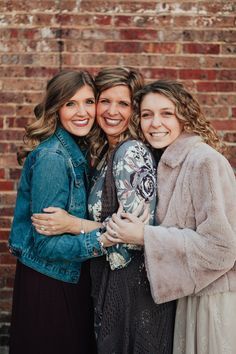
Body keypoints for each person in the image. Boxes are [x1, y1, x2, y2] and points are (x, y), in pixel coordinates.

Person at [31, 67, 176, 354]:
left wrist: (73, 224)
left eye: (122, 103)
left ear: (133, 110)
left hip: (134, 289)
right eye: (104, 101)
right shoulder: (106, 154)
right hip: (110, 283)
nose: (112, 111)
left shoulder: (131, 152)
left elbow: (132, 236)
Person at [106, 79, 236, 354]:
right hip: (189, 296)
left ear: (185, 117)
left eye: (167, 113)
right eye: (147, 115)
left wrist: (145, 236)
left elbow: (222, 249)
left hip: (213, 301)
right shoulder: (167, 161)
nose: (155, 123)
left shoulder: (204, 161)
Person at [8, 70, 113, 354]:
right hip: (51, 282)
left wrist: (80, 225)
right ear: (56, 108)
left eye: (89, 102)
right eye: (70, 103)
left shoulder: (76, 150)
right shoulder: (53, 158)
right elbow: (45, 244)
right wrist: (104, 239)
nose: (83, 112)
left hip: (67, 277)